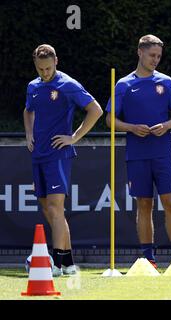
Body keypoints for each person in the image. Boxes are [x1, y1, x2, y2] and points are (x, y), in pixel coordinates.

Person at [24, 44, 103, 276]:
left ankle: (56, 264)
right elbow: (28, 111)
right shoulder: (33, 87)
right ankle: (68, 264)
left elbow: (95, 110)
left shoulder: (68, 84)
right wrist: (29, 133)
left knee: (56, 208)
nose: (45, 73)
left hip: (58, 154)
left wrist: (74, 137)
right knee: (48, 209)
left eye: (48, 68)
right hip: (38, 155)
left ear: (56, 61)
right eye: (40, 69)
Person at [105, 35, 171, 268]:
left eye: (159, 56)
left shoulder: (167, 82)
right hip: (137, 154)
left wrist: (167, 125)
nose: (156, 60)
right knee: (144, 205)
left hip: (163, 152)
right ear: (140, 52)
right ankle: (148, 258)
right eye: (152, 55)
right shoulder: (123, 84)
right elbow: (110, 119)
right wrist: (131, 127)